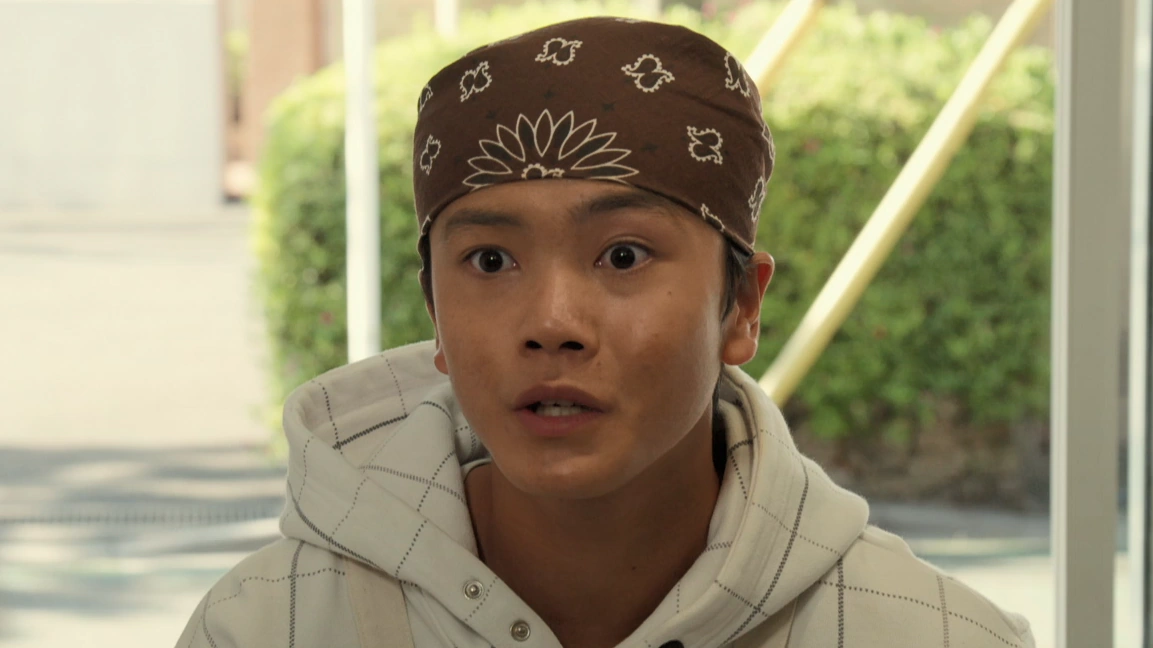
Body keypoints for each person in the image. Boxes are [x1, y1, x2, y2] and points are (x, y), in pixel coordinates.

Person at [178, 16, 1035, 648]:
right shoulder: (269, 626)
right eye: (489, 261)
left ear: (741, 307)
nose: (552, 324)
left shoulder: (932, 635)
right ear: (435, 313)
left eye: (623, 255)